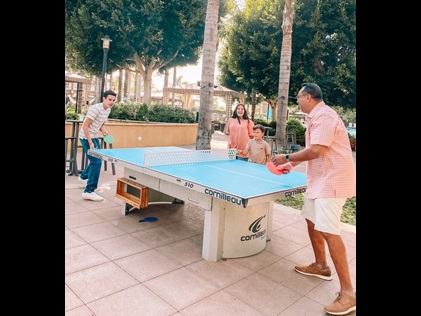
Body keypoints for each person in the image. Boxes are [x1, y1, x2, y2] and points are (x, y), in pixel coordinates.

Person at [271, 83, 356, 315]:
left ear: (307, 97)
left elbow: (317, 151)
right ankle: (321, 266)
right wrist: (291, 164)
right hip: (319, 180)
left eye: (298, 97)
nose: (296, 100)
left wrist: (285, 156)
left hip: (333, 181)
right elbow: (312, 150)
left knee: (329, 231)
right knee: (311, 221)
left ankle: (348, 294)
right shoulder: (315, 118)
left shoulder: (326, 116)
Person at [78, 90, 117, 201]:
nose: (111, 102)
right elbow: (85, 126)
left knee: (96, 161)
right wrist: (90, 142)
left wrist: (105, 132)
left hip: (94, 136)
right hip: (86, 137)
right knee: (97, 162)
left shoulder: (108, 110)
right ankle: (89, 191)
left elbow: (101, 125)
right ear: (103, 99)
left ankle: (83, 177)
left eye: (113, 100)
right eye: (109, 99)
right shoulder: (95, 109)